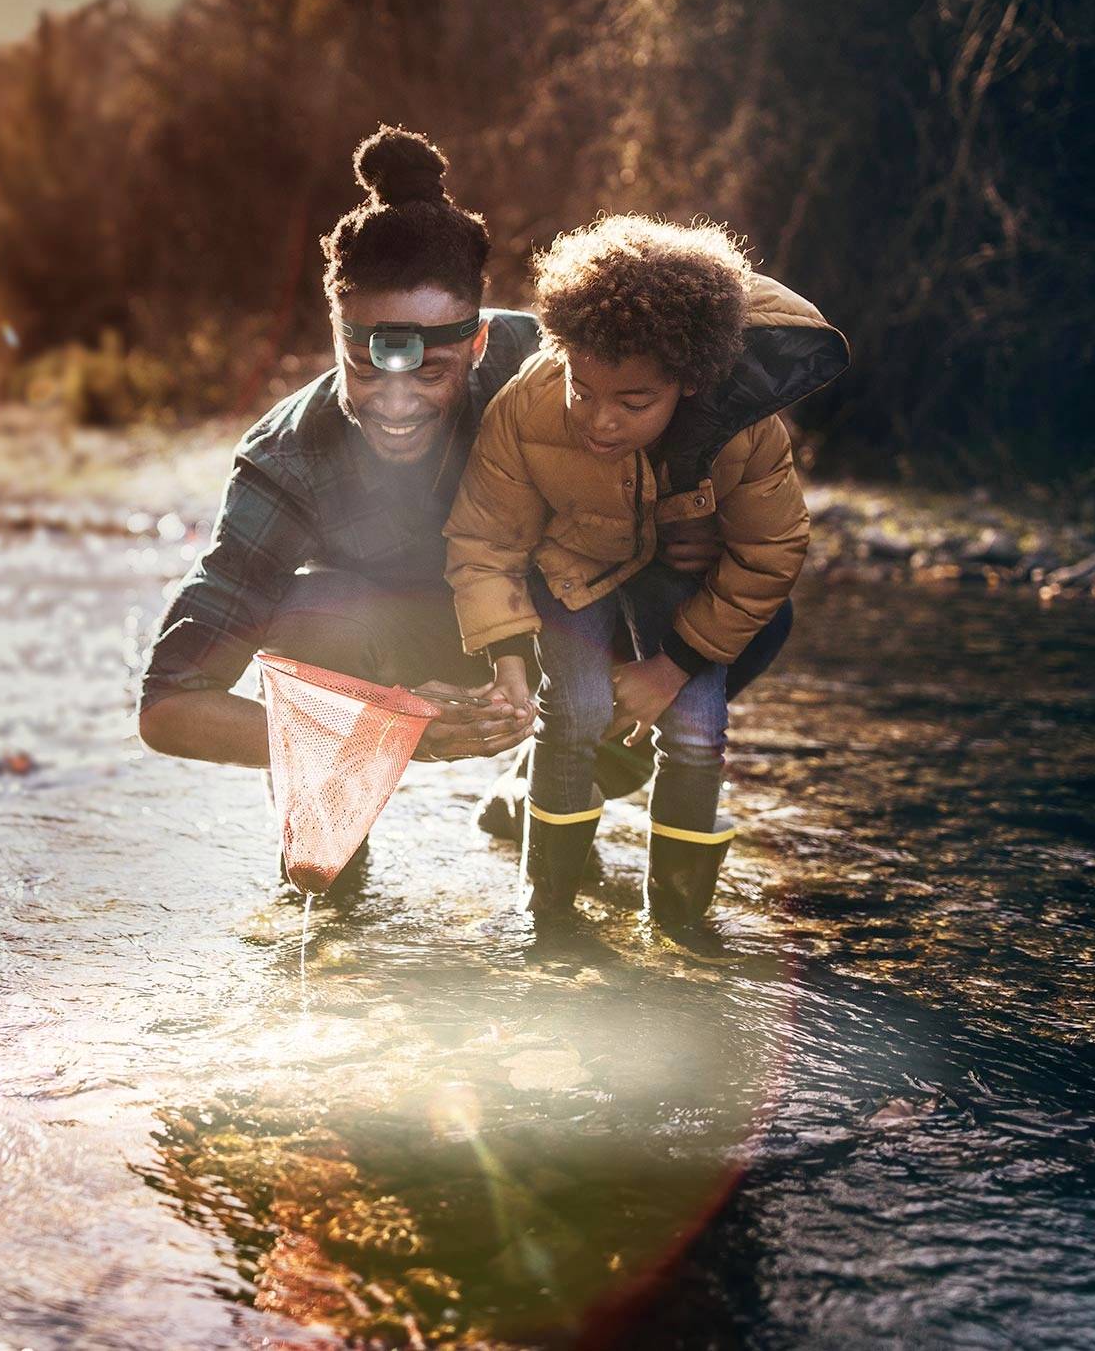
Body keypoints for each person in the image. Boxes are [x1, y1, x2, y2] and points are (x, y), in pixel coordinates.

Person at [135, 126, 828, 888]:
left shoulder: (557, 364)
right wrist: (392, 734)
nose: (396, 400)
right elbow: (169, 707)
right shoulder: (283, 460)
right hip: (389, 650)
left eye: (430, 371)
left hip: (550, 616)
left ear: (478, 344)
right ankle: (329, 885)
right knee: (314, 615)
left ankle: (568, 781)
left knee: (756, 616)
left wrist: (684, 521)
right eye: (367, 367)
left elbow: (710, 385)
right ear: (336, 333)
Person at [444, 215, 848, 925]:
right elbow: (484, 541)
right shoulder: (525, 408)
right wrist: (505, 653)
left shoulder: (743, 432)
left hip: (682, 590)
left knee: (698, 727)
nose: (601, 421)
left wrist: (673, 665)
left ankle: (680, 923)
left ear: (689, 384)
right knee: (573, 715)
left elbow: (774, 550)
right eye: (583, 390)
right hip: (570, 574)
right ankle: (548, 913)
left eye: (634, 403)